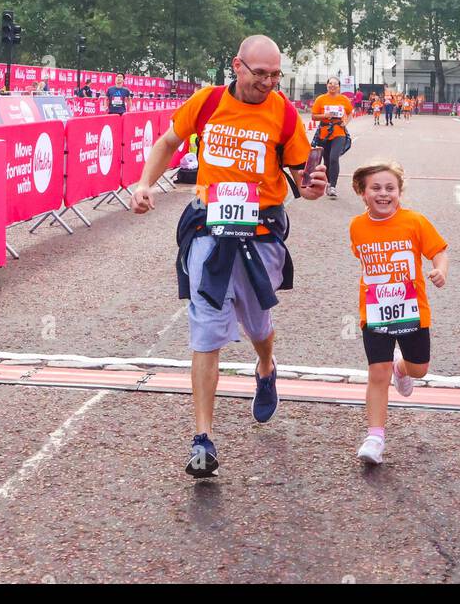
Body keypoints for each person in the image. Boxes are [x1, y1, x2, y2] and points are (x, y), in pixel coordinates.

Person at [132, 35, 328, 479]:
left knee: (258, 324)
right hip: (209, 231)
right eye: (261, 74)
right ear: (237, 66)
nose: (269, 83)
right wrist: (144, 183)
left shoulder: (283, 113)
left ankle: (265, 365)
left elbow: (304, 177)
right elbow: (167, 143)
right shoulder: (206, 103)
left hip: (261, 233)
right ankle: (202, 438)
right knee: (206, 327)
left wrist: (314, 187)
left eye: (277, 75)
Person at [349, 160, 449, 465]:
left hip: (412, 310)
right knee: (376, 373)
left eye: (390, 188)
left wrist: (439, 270)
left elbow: (439, 250)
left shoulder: (415, 222)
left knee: (420, 369)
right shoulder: (356, 226)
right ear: (362, 193)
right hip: (375, 310)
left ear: (399, 192)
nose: (383, 194)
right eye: (375, 188)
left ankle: (402, 368)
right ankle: (374, 438)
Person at [311, 76, 355, 199]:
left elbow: (351, 112)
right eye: (330, 83)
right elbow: (314, 116)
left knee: (334, 158)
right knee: (326, 160)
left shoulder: (343, 99)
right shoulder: (321, 99)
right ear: (327, 85)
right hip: (324, 133)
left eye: (335, 84)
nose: (333, 86)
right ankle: (328, 182)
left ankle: (333, 186)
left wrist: (345, 122)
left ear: (339, 86)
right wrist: (324, 115)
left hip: (339, 132)